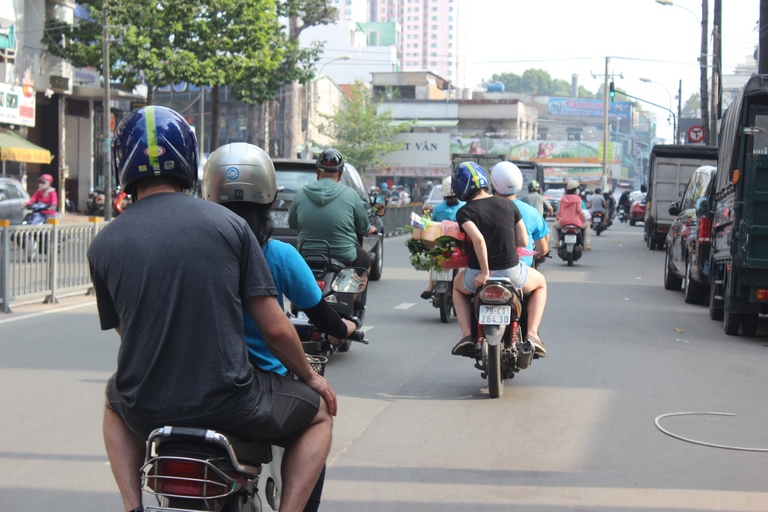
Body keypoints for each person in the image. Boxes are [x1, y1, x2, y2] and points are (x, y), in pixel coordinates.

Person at [88, 106, 335, 512]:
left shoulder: (103, 244)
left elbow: (131, 331)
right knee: (320, 415)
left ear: (122, 165)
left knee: (113, 398)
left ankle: (133, 507)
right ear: (187, 161)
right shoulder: (229, 227)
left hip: (144, 405)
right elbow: (274, 328)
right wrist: (311, 378)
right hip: (232, 402)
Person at [203, 142, 357, 512]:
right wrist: (346, 329)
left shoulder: (193, 251)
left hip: (195, 382)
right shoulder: (277, 254)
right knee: (319, 414)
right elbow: (314, 319)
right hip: (257, 387)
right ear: (270, 199)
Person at [450, 162, 547, 358]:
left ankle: (467, 335)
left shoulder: (464, 212)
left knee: (457, 287)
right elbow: (523, 240)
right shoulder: (509, 205)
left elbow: (477, 239)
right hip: (512, 273)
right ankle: (533, 334)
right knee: (541, 284)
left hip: (477, 274)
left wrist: (485, 272)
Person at [288, 148, 376, 270]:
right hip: (345, 256)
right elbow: (363, 228)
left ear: (318, 171)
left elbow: (292, 224)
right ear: (340, 173)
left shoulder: (301, 193)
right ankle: (358, 289)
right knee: (365, 259)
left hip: (306, 255)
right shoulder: (351, 194)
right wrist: (369, 229)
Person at [490, 162, 550, 267]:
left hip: (489, 270)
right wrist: (537, 254)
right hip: (521, 272)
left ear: (493, 185)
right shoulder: (532, 211)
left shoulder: (483, 208)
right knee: (541, 282)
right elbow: (543, 249)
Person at [420, 176, 466, 300]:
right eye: (449, 198)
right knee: (436, 261)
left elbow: (432, 223)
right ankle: (430, 286)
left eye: (453, 197)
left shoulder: (440, 208)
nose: (451, 200)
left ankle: (430, 287)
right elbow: (432, 226)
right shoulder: (464, 206)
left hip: (453, 244)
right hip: (449, 245)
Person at [551, 180, 590, 250]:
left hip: (563, 222)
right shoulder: (578, 198)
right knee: (587, 225)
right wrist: (584, 219)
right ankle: (586, 244)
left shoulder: (563, 198)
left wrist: (557, 220)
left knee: (554, 226)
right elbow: (579, 211)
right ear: (575, 190)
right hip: (576, 222)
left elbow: (559, 212)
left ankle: (556, 243)